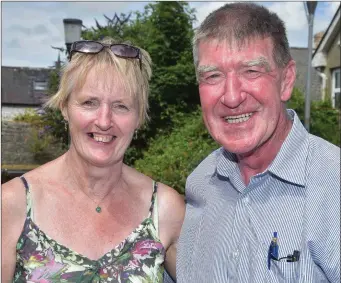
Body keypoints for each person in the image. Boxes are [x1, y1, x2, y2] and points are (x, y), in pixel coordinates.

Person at [175, 3, 340, 283]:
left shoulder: (333, 187)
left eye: (251, 71)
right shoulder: (201, 183)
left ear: (286, 80)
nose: (231, 96)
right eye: (213, 76)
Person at [2, 37, 184, 282]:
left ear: (139, 117)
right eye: (89, 103)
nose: (104, 121)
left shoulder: (166, 209)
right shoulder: (13, 205)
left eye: (121, 106)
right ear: (65, 107)